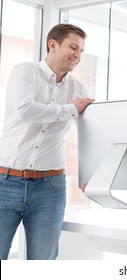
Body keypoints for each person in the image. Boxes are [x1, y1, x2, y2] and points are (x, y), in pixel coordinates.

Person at [0, 23, 94, 260]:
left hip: (50, 188)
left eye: (81, 51)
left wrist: (89, 176)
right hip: (5, 182)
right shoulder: (25, 72)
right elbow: (24, 110)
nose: (78, 55)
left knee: (43, 263)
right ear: (53, 44)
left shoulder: (77, 88)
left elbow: (88, 135)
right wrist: (69, 108)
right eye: (73, 47)